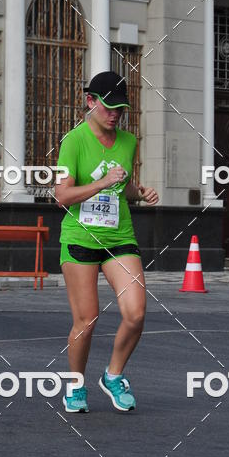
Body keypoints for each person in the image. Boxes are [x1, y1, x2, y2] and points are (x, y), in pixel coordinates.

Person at [55, 71, 158, 413]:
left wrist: (139, 193)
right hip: (80, 237)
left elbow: (123, 186)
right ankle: (75, 386)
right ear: (90, 102)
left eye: (121, 109)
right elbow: (62, 195)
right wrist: (100, 185)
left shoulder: (129, 142)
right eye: (109, 107)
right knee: (87, 319)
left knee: (136, 312)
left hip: (119, 237)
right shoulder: (74, 140)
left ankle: (113, 376)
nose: (115, 114)